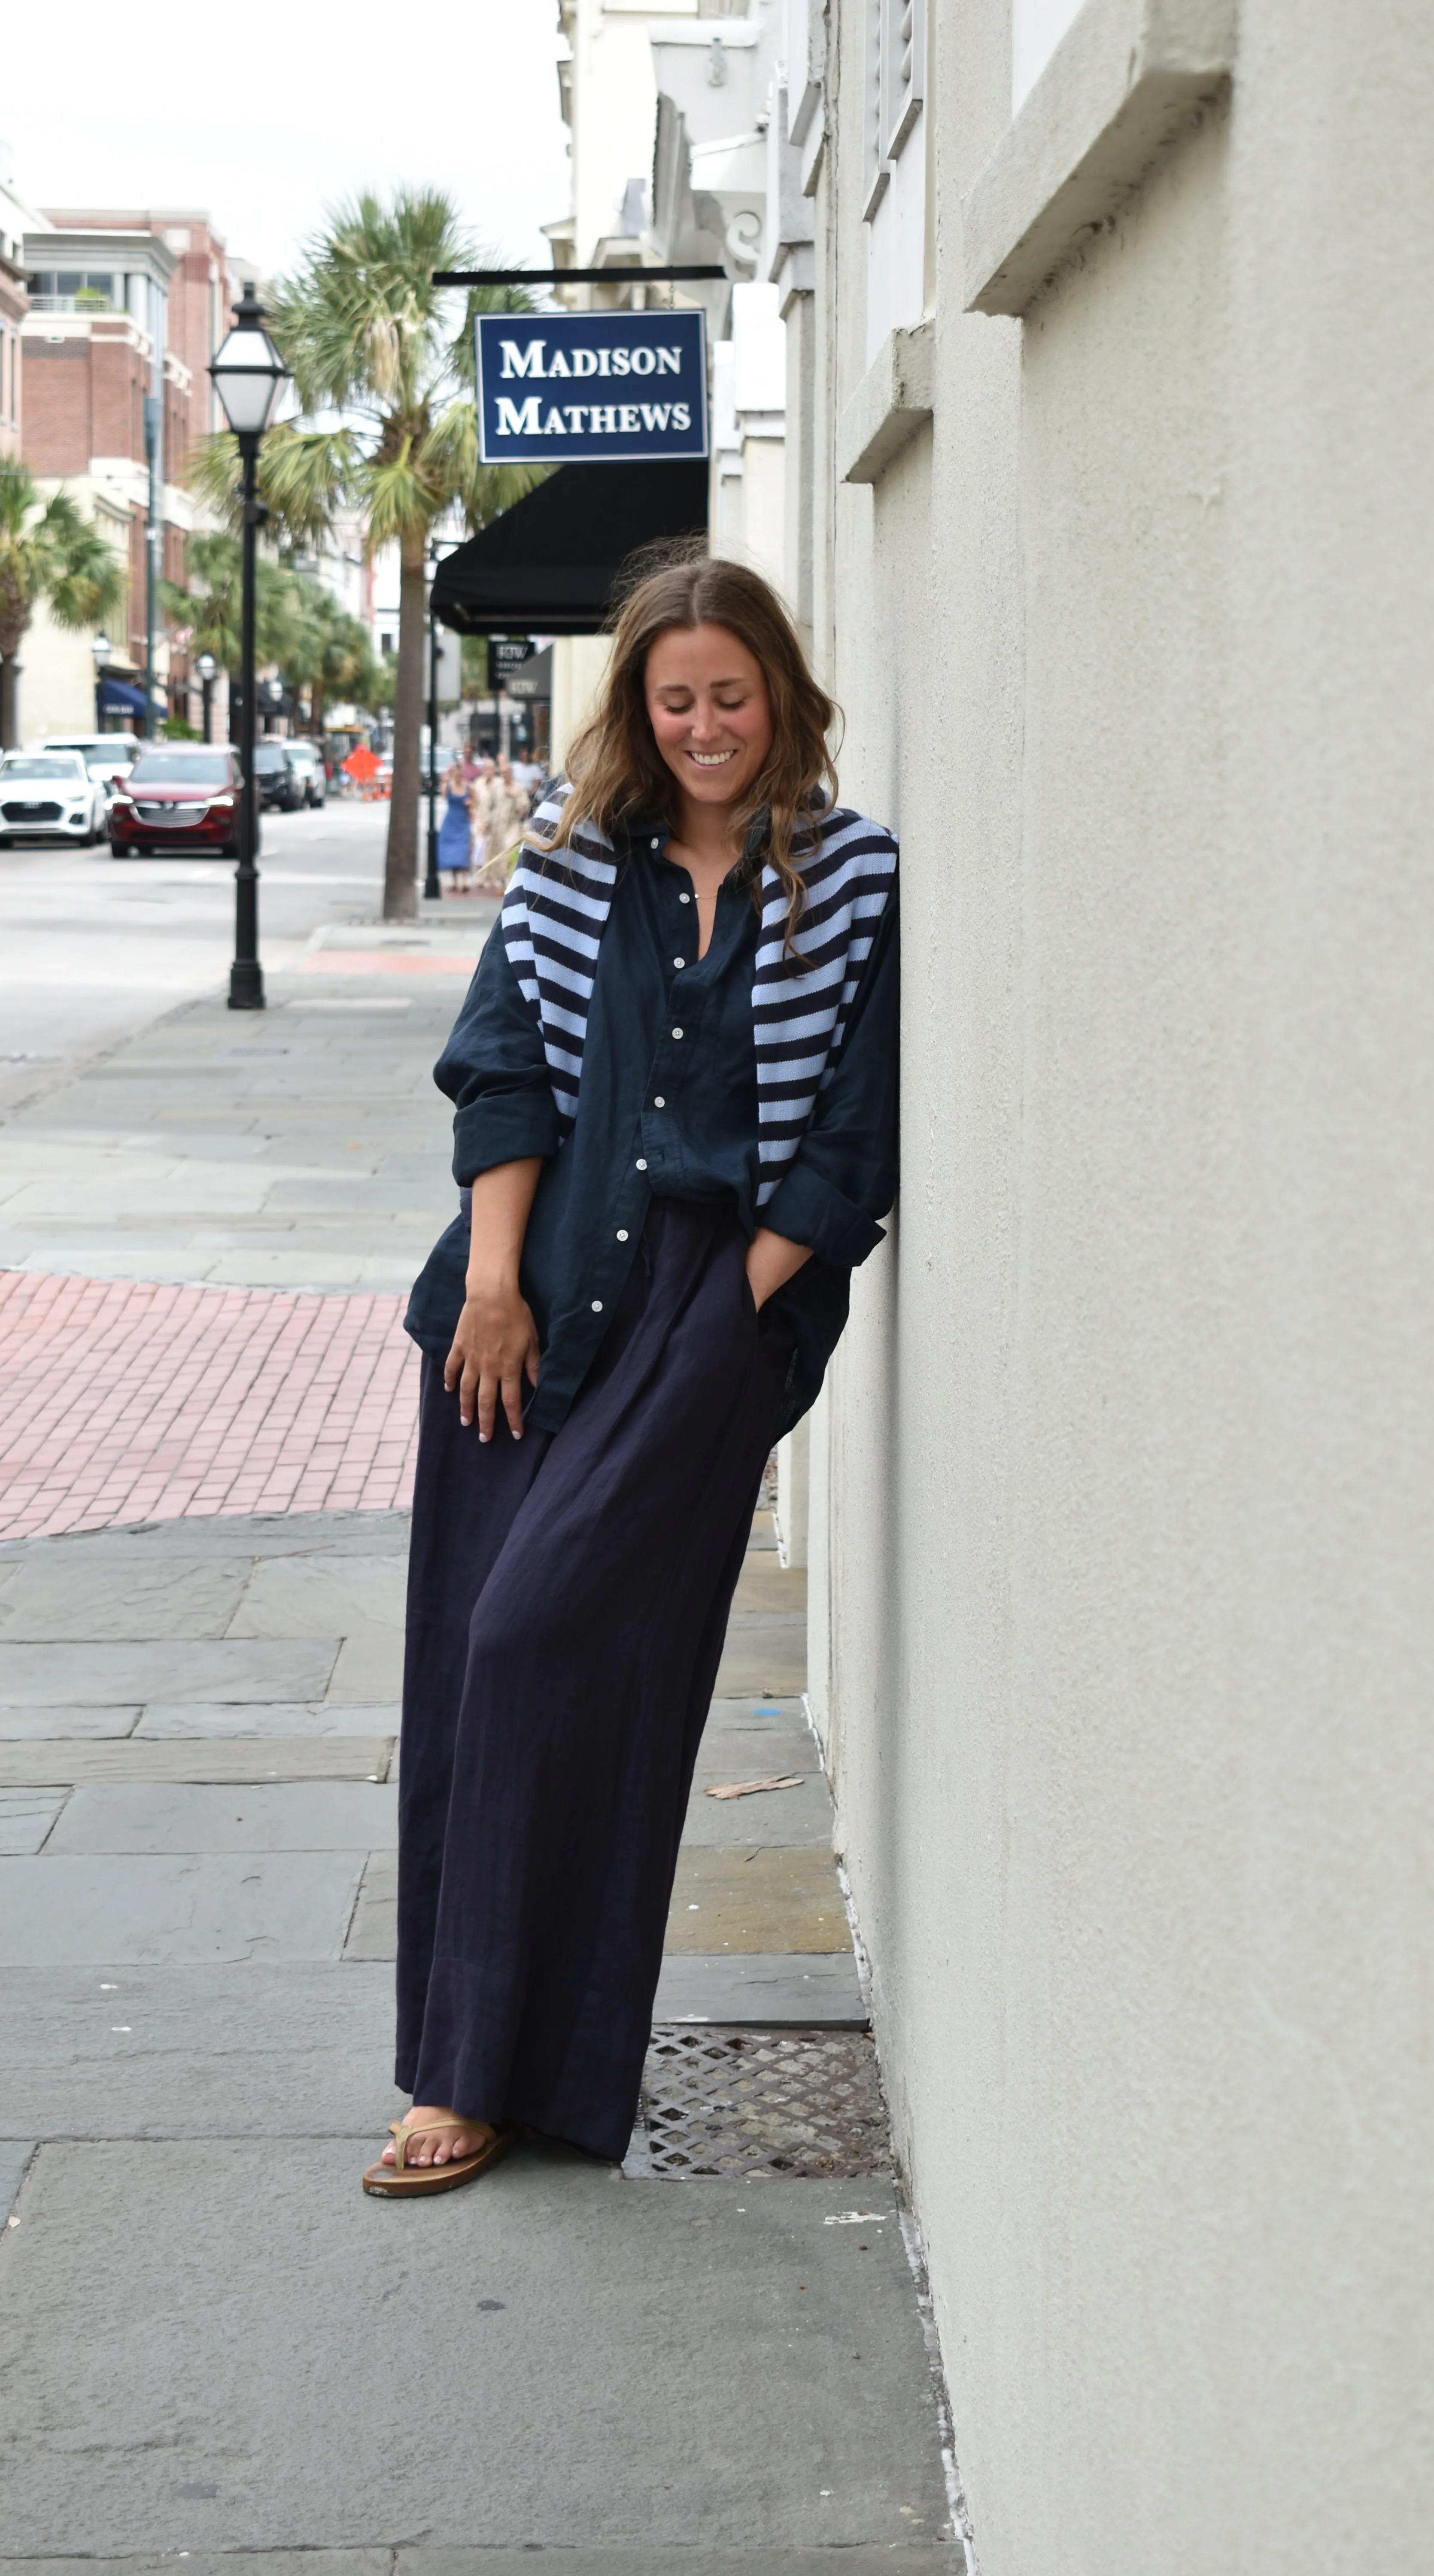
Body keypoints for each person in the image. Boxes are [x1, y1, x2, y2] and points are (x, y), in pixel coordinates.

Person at [363, 555, 899, 2194]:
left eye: (729, 694)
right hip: (523, 1302)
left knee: (556, 1644)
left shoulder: (853, 880)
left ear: (781, 696)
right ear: (638, 710)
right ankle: (470, 2069)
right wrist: (500, 1281)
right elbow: (502, 1075)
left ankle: (525, 2059)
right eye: (675, 700)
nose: (703, 725)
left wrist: (735, 1310)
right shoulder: (572, 866)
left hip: (710, 1315)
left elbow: (850, 1142)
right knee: (475, 1665)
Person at [437, 755, 473, 893]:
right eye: (455, 774)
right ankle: (454, 881)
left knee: (463, 849)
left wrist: (471, 803)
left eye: (460, 774)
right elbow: (443, 795)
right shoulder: (448, 786)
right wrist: (446, 779)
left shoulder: (469, 787)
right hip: (451, 821)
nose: (458, 777)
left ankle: (464, 881)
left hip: (463, 821)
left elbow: (476, 802)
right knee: (451, 851)